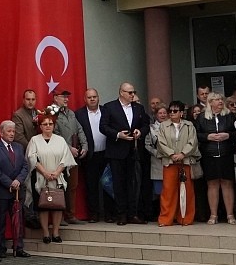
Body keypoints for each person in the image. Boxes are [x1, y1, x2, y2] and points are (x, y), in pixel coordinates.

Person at [99, 83, 151, 225]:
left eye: (133, 92)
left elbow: (146, 124)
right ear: (121, 92)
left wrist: (140, 132)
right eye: (129, 92)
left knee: (133, 183)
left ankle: (133, 214)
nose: (132, 95)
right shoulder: (110, 107)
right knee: (118, 184)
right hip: (116, 151)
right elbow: (103, 127)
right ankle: (121, 214)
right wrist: (117, 135)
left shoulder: (138, 107)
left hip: (133, 151)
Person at [26, 110, 76, 244]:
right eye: (45, 124)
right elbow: (32, 158)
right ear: (40, 126)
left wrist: (57, 172)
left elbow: (66, 158)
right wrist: (45, 173)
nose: (48, 126)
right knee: (43, 206)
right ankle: (46, 233)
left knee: (57, 205)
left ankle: (56, 232)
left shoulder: (60, 140)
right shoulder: (34, 140)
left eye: (50, 124)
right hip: (41, 178)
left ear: (54, 125)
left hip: (58, 178)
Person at [0, 120, 29, 259]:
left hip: (18, 191)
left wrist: (18, 180)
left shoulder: (18, 147)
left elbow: (25, 166)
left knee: (18, 220)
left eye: (13, 131)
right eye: (9, 131)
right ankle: (0, 248)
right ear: (1, 132)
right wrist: (10, 183)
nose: (12, 134)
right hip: (2, 191)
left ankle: (19, 247)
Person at [156, 101, 200, 226]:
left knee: (187, 191)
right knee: (168, 191)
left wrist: (183, 154)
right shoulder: (163, 125)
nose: (172, 113)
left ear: (181, 113)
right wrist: (171, 154)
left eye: (175, 111)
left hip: (185, 161)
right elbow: (160, 142)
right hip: (169, 161)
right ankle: (165, 219)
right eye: (170, 111)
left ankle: (185, 218)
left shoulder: (189, 125)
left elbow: (193, 141)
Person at [198, 93, 236, 225]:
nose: (220, 102)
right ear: (210, 102)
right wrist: (207, 137)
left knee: (227, 183)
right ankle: (213, 215)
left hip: (226, 154)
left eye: (221, 99)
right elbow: (196, 134)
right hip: (209, 155)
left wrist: (227, 135)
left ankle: (230, 215)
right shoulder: (202, 117)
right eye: (217, 100)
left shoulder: (229, 116)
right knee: (212, 184)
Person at [51, 90, 88, 224]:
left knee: (72, 185)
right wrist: (68, 148)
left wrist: (84, 145)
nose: (66, 99)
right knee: (60, 186)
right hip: (59, 156)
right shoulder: (51, 114)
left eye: (67, 97)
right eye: (63, 97)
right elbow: (53, 134)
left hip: (73, 157)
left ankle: (71, 215)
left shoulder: (71, 113)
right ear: (55, 98)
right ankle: (59, 217)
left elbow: (79, 130)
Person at [78, 89, 112, 223]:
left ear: (98, 98)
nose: (92, 99)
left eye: (94, 97)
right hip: (90, 155)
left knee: (108, 184)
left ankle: (109, 213)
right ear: (84, 99)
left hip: (107, 154)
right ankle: (94, 214)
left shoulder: (106, 111)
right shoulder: (79, 114)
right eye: (89, 97)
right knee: (91, 186)